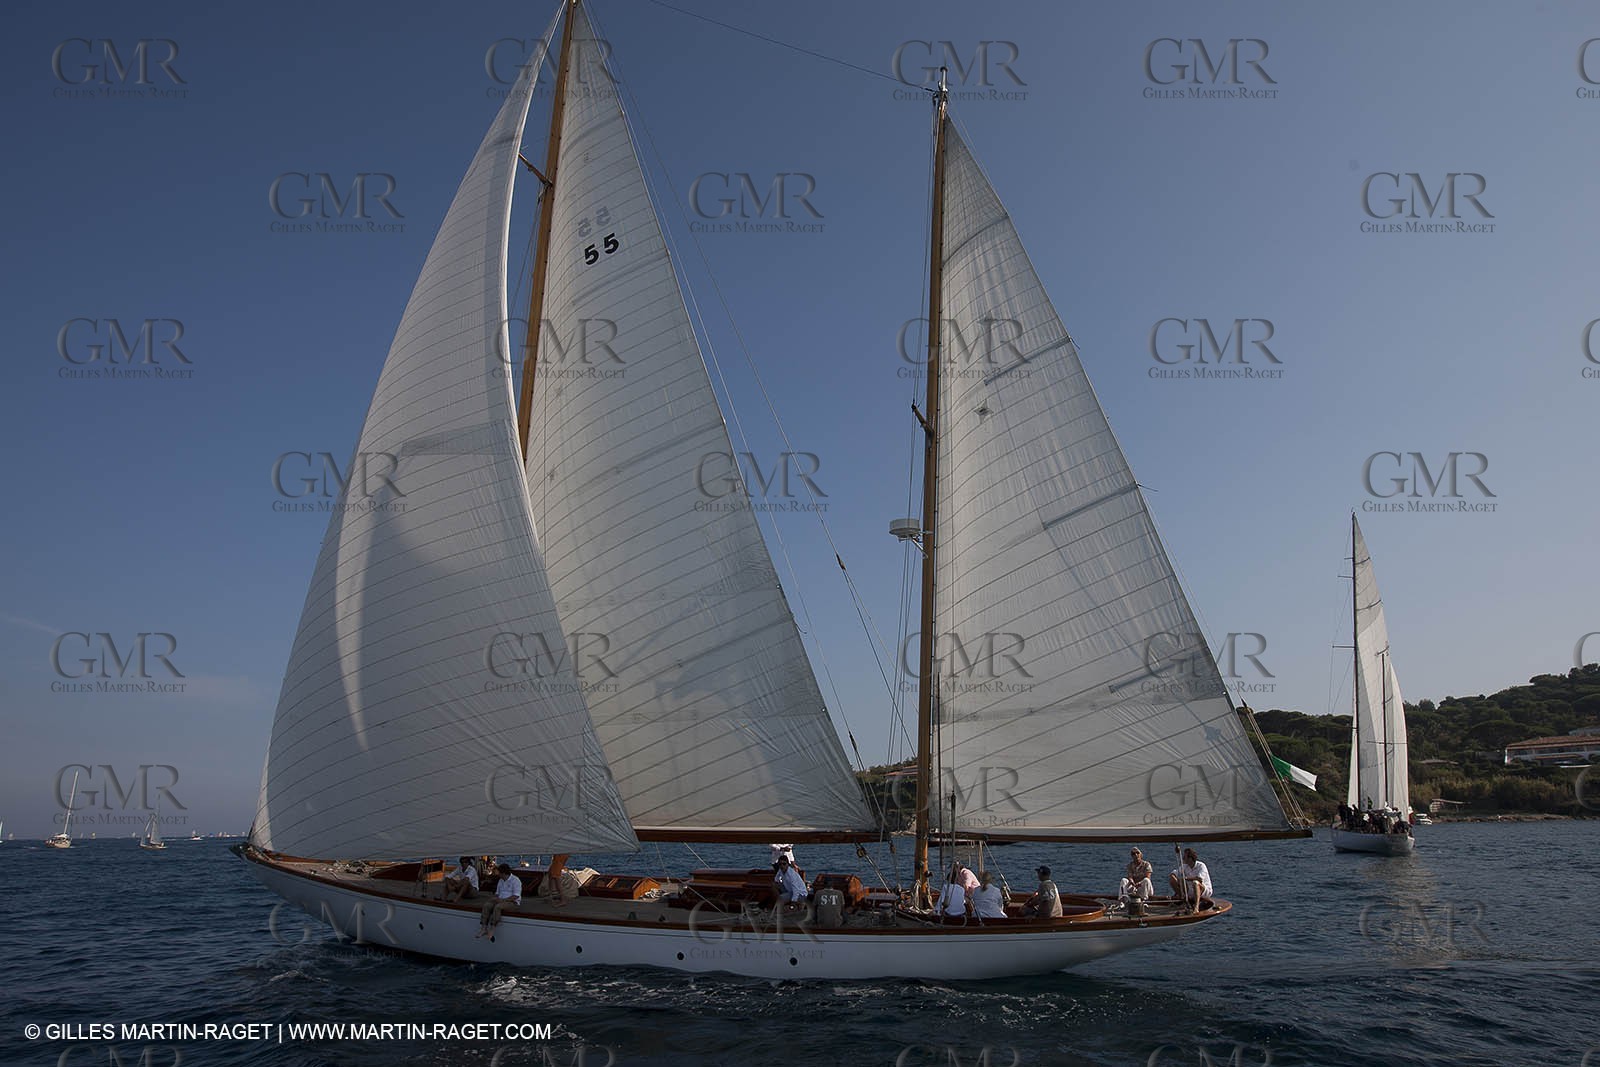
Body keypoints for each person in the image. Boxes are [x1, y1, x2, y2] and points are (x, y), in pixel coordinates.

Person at [477, 863, 522, 941]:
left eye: (499, 873)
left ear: (503, 873)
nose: (498, 874)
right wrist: (494, 898)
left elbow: (516, 896)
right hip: (500, 900)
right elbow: (497, 893)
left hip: (512, 903)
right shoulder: (501, 881)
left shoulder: (516, 880)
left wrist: (503, 900)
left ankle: (492, 929)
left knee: (498, 907)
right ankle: (483, 928)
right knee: (487, 905)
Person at [1168, 848, 1212, 912]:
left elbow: (1199, 879)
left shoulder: (1201, 866)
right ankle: (1183, 900)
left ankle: (1196, 907)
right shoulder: (1185, 866)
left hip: (1204, 891)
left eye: (1184, 857)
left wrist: (1185, 878)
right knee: (1173, 880)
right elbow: (1175, 873)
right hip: (1190, 891)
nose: (1183, 858)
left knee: (1195, 882)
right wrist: (1173, 876)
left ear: (1190, 858)